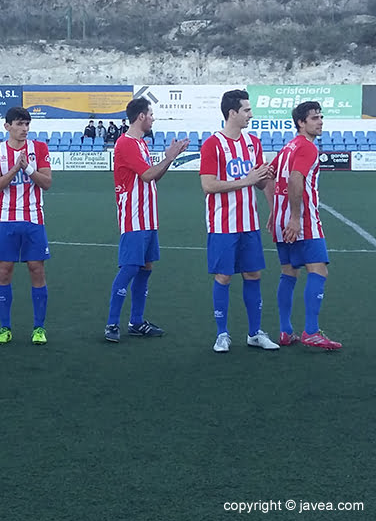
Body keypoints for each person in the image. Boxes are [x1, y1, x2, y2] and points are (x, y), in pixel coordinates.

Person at [104, 97, 189, 343]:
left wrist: (167, 159)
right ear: (141, 116)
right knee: (130, 267)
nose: (152, 119)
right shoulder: (127, 143)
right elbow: (148, 174)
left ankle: (137, 321)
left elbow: (152, 177)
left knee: (146, 268)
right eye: (150, 115)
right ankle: (111, 323)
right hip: (134, 218)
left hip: (148, 218)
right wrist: (170, 157)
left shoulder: (141, 144)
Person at [199, 90, 278, 353]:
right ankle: (222, 334)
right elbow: (208, 185)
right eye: (246, 110)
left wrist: (269, 178)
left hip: (249, 223)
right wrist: (247, 180)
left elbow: (261, 182)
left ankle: (255, 333)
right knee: (223, 276)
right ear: (232, 113)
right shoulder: (212, 144)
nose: (251, 114)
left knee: (253, 274)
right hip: (223, 224)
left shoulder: (254, 143)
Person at [264, 101, 341, 350]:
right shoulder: (307, 147)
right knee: (319, 271)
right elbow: (296, 178)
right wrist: (296, 218)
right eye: (315, 118)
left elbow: (266, 175)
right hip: (303, 222)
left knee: (289, 273)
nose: (320, 121)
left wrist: (276, 211)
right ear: (301, 122)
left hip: (280, 221)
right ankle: (311, 331)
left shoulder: (287, 147)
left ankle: (286, 331)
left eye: (321, 117)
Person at [0, 107, 53, 345]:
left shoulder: (39, 149)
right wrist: (16, 168)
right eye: (19, 124)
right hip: (5, 219)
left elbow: (46, 183)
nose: (24, 129)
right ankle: (4, 328)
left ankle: (39, 328)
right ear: (7, 127)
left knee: (37, 269)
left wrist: (28, 168)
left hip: (34, 218)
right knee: (4, 271)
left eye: (27, 124)